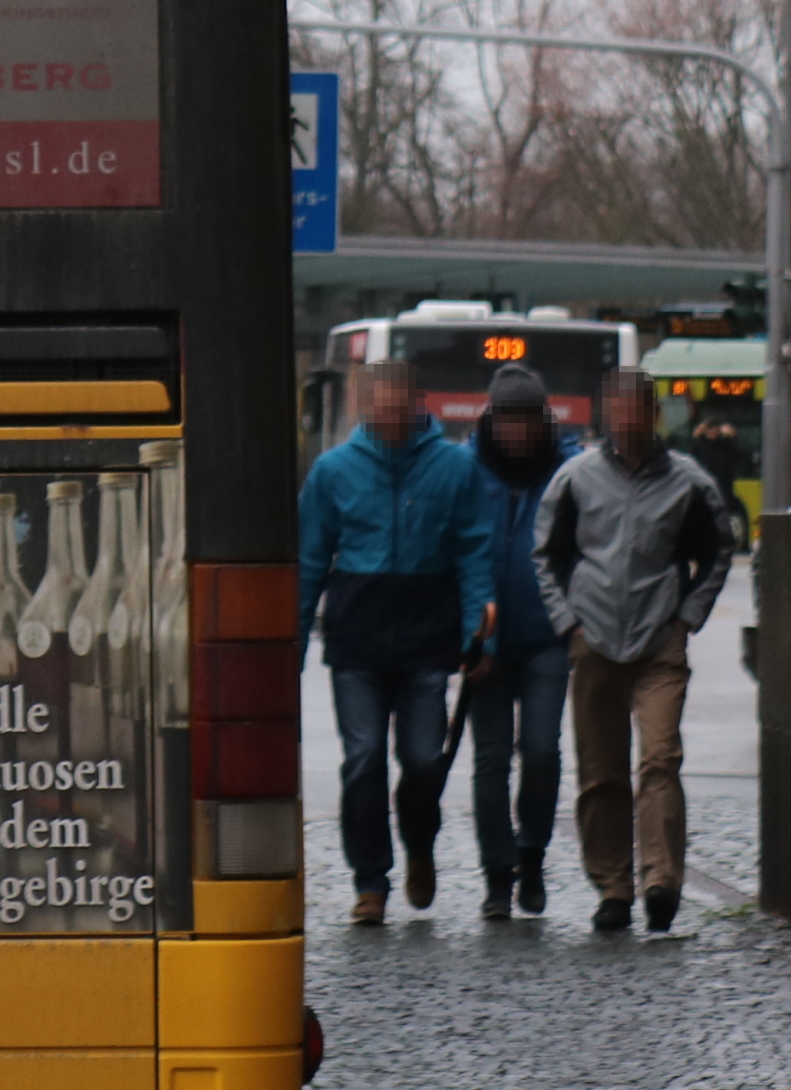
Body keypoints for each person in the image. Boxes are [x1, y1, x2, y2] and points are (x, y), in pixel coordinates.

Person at [534, 369, 733, 933]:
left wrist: (687, 617)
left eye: (636, 411)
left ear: (653, 416)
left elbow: (718, 550)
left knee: (660, 759)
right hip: (594, 638)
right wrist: (568, 622)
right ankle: (613, 886)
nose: (626, 422)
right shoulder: (576, 478)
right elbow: (546, 555)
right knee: (601, 770)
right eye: (617, 411)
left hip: (659, 639)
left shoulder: (689, 482)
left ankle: (661, 881)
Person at [298, 361, 495, 926]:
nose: (384, 416)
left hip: (426, 634)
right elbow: (310, 560)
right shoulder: (334, 471)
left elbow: (474, 553)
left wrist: (480, 637)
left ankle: (420, 844)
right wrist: (293, 642)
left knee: (423, 760)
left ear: (415, 404)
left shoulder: (454, 468)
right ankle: (370, 881)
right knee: (363, 760)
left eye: (394, 406)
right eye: (376, 406)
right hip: (357, 635)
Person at [467, 364, 579, 920]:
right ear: (491, 420)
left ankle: (531, 855)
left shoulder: (571, 472)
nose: (516, 431)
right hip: (484, 640)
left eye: (526, 419)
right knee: (490, 759)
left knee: (540, 750)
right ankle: (497, 874)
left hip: (547, 635)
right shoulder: (466, 471)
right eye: (506, 419)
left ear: (544, 420)